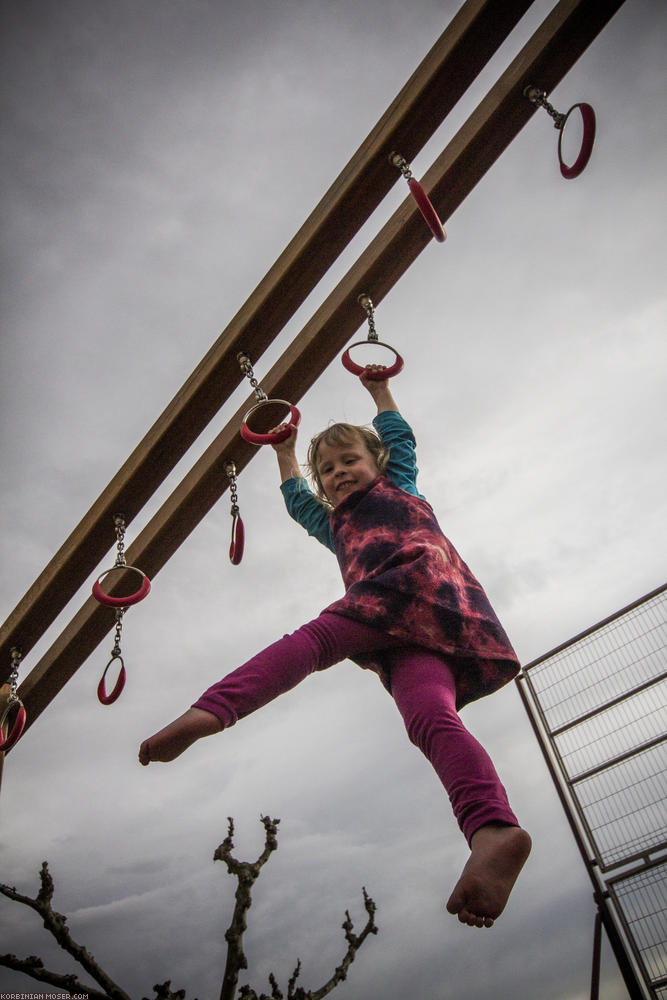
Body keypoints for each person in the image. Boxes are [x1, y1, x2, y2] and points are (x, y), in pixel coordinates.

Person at [139, 367, 531, 929]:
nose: (340, 472)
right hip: (413, 633)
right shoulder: (335, 526)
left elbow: (399, 438)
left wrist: (378, 390)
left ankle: (210, 712)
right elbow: (300, 503)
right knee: (428, 718)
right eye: (328, 470)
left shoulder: (401, 487)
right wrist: (286, 450)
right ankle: (494, 831)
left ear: (378, 465)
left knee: (315, 641)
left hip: (416, 586)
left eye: (350, 460)